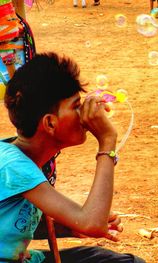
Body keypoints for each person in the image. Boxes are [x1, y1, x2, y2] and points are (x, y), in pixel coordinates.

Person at [0, 52, 145, 263]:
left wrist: (68, 226)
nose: (85, 113)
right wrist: (107, 141)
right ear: (50, 123)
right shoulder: (15, 166)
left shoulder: (21, 154)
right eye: (77, 106)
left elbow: (15, 223)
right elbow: (91, 223)